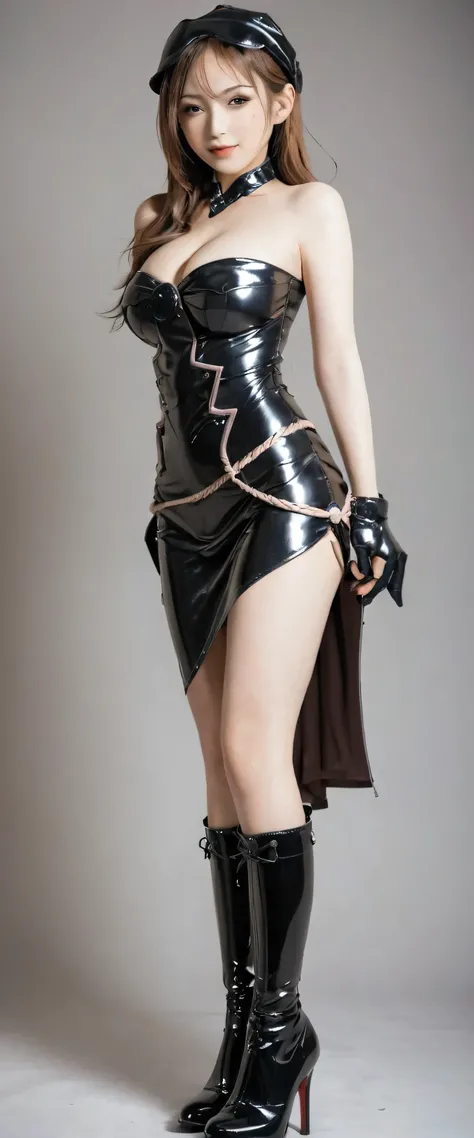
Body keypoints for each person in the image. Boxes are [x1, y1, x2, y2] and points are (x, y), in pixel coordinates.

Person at [100, 6, 407, 1135]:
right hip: (181, 515)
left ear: (281, 103)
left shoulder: (310, 207)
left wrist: (369, 503)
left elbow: (338, 359)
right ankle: (243, 1037)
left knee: (250, 749)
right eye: (193, 104)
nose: (214, 122)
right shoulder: (161, 219)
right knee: (222, 783)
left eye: (237, 98)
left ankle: (280, 1036)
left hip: (282, 493)